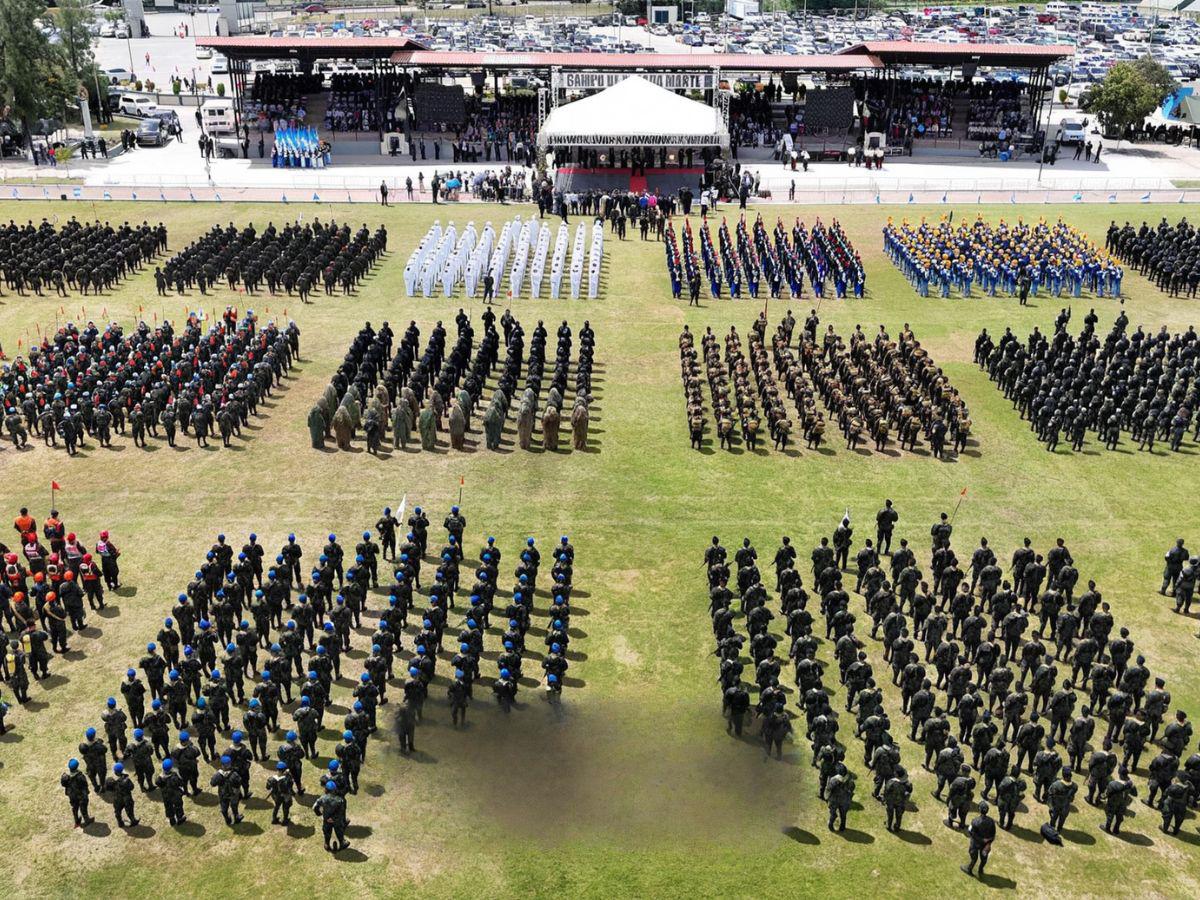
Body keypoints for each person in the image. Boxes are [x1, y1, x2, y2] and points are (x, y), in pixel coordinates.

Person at [962, 800, 996, 878]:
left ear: (979, 810)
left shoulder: (975, 821)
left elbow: (971, 832)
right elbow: (993, 834)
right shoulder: (991, 822)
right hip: (985, 844)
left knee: (974, 858)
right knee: (984, 858)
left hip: (975, 843)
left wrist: (981, 840)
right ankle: (980, 870)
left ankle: (969, 869)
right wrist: (988, 843)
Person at [313, 779, 349, 851]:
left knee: (327, 831)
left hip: (326, 819)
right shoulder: (339, 800)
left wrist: (319, 813)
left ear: (326, 790)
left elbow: (315, 807)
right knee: (339, 831)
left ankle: (327, 844)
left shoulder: (322, 798)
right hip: (337, 820)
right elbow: (341, 811)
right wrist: (334, 818)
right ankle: (342, 843)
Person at [61, 758, 93, 827]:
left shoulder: (65, 777)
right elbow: (85, 785)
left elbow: (63, 784)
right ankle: (87, 820)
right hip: (81, 796)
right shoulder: (80, 776)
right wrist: (87, 792)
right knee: (83, 809)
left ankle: (77, 821)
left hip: (72, 796)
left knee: (75, 808)